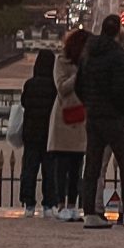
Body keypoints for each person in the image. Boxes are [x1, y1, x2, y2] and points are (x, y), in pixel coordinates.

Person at [74, 13, 124, 228]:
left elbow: (78, 85)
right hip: (114, 118)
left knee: (93, 165)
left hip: (94, 117)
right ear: (118, 32)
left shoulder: (89, 55)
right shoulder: (119, 57)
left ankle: (90, 213)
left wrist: (89, 104)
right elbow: (119, 90)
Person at [46, 29, 89, 220]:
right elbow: (62, 88)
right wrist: (79, 76)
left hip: (81, 116)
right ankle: (60, 204)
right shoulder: (61, 62)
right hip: (65, 116)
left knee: (76, 166)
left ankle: (73, 204)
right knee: (61, 166)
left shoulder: (87, 63)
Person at [16, 48, 57, 216]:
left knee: (29, 170)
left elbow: (24, 103)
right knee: (50, 170)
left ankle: (29, 203)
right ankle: (49, 204)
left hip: (31, 133)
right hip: (49, 134)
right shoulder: (54, 86)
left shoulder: (30, 84)